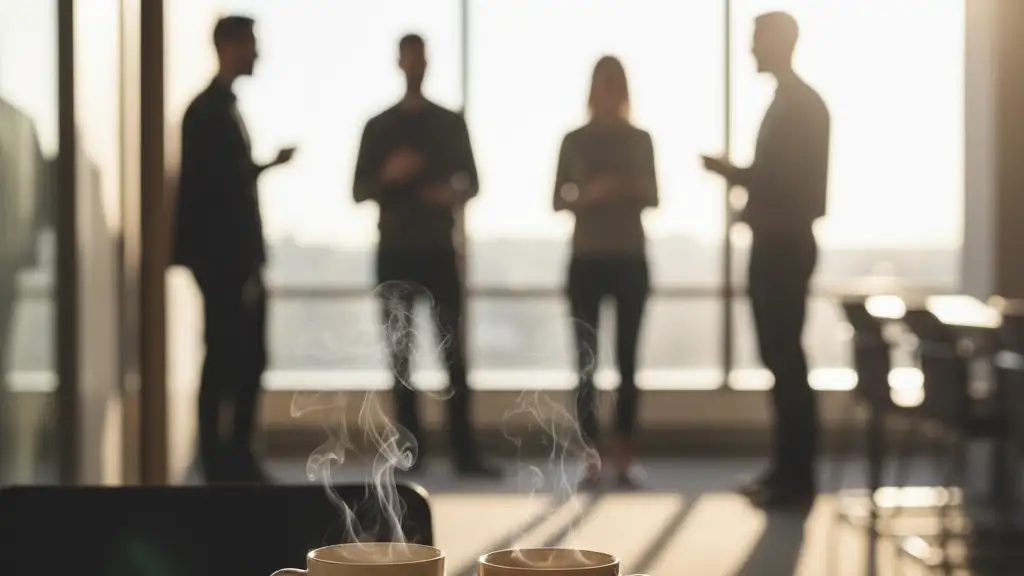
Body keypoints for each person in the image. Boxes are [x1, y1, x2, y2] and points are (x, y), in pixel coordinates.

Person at [353, 33, 499, 477]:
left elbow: (472, 184)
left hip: (438, 252)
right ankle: (408, 452)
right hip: (396, 252)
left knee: (454, 356)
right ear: (400, 62)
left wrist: (448, 194)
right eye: (409, 56)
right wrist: (389, 175)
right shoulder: (378, 127)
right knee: (400, 359)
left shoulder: (449, 123)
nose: (415, 64)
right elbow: (359, 190)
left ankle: (464, 452)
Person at [702, 11, 830, 508]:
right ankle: (787, 472)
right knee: (781, 359)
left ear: (780, 43)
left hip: (784, 247)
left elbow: (786, 182)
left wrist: (731, 173)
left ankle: (796, 477)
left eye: (757, 41)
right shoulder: (791, 103)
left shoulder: (800, 106)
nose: (751, 51)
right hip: (776, 243)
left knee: (786, 359)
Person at [172, 15, 296, 483]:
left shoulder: (216, 108)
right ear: (229, 46)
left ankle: (231, 458)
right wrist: (263, 167)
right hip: (227, 262)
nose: (257, 54)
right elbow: (216, 188)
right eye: (251, 44)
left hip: (236, 260)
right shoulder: (209, 111)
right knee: (228, 358)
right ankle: (222, 461)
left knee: (240, 358)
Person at [553, 56, 658, 489]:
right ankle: (590, 457)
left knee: (630, 363)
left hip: (630, 259)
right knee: (585, 363)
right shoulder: (574, 140)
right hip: (587, 260)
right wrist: (590, 196)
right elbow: (557, 200)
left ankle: (625, 457)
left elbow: (654, 195)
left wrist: (625, 189)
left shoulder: (640, 139)